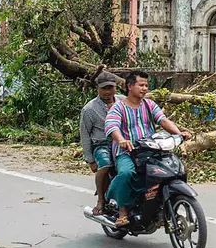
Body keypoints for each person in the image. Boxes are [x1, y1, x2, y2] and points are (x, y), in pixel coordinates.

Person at [104, 70, 190, 228]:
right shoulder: (118, 108)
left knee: (173, 170)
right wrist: (122, 140)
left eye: (146, 85)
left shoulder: (149, 105)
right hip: (127, 152)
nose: (144, 88)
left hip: (151, 150)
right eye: (141, 85)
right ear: (130, 86)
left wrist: (179, 134)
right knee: (126, 172)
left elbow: (163, 121)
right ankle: (122, 211)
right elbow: (112, 126)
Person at [79, 71, 124, 216]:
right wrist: (90, 160)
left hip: (122, 142)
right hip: (102, 144)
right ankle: (101, 200)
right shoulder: (89, 109)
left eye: (110, 88)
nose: (107, 92)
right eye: (104, 88)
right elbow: (85, 134)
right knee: (105, 165)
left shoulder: (123, 102)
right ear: (97, 88)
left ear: (115, 87)